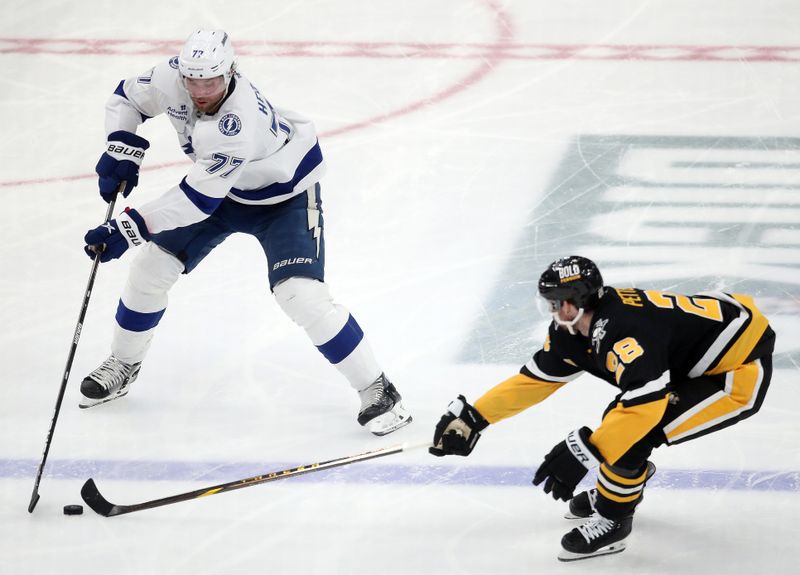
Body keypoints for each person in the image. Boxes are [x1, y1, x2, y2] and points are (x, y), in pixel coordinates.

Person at [79, 29, 412, 436]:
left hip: (282, 199)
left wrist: (129, 228)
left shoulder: (236, 123)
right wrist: (122, 145)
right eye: (193, 81)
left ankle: (378, 388)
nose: (200, 91)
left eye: (212, 82)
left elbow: (197, 198)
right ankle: (124, 363)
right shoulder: (173, 76)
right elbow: (128, 97)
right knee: (150, 268)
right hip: (223, 189)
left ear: (231, 72)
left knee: (301, 295)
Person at [429, 255, 775, 561]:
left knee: (634, 433)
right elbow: (536, 380)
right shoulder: (573, 329)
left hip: (735, 372)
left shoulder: (623, 331)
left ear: (575, 303)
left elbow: (646, 405)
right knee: (621, 423)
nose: (552, 310)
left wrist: (589, 452)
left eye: (557, 302)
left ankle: (614, 518)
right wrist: (475, 417)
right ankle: (622, 483)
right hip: (693, 355)